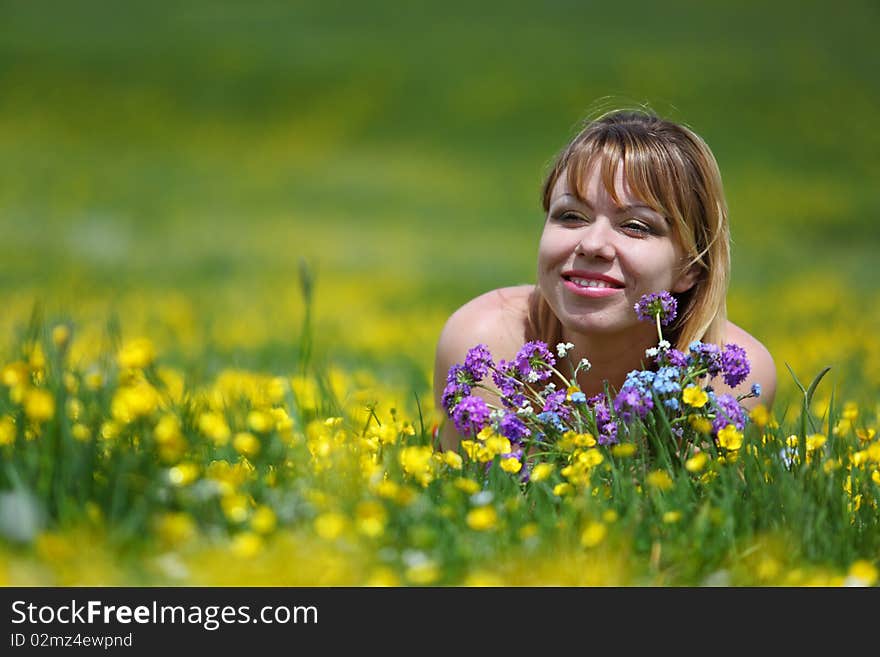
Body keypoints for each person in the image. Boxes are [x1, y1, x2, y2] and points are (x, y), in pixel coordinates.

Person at [433, 108, 777, 452]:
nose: (592, 244)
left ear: (691, 269)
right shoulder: (486, 347)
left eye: (635, 226)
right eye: (570, 216)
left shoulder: (727, 379)